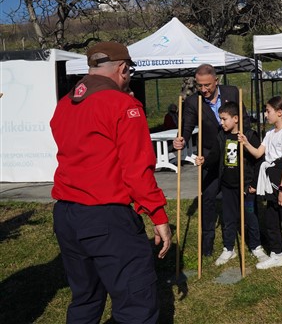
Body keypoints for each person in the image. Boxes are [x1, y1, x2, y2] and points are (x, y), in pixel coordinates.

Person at [51, 41, 172, 323]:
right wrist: (158, 214)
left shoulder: (65, 104)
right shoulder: (122, 104)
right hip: (105, 215)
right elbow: (137, 170)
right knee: (135, 303)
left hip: (66, 213)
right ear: (122, 69)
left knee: (85, 299)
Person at [173, 64, 247, 257]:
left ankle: (247, 235)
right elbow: (187, 126)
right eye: (200, 86)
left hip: (232, 150)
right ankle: (207, 244)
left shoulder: (232, 92)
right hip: (208, 155)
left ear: (216, 81)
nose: (204, 90)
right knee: (208, 198)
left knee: (238, 194)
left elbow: (244, 119)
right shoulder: (193, 102)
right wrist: (181, 138)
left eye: (207, 85)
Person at [196, 101, 268, 265]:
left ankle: (256, 246)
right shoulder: (222, 135)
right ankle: (229, 248)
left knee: (251, 216)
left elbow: (259, 161)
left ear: (235, 118)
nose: (221, 123)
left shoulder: (249, 135)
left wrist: (255, 184)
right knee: (228, 218)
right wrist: (204, 160)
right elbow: (215, 155)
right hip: (228, 186)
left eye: (224, 119)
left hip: (246, 185)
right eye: (220, 119)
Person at [239, 96, 282, 276]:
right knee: (271, 219)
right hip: (269, 179)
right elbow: (259, 152)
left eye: (268, 111)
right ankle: (276, 253)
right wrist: (245, 143)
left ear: (279, 113)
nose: (265, 114)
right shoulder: (269, 134)